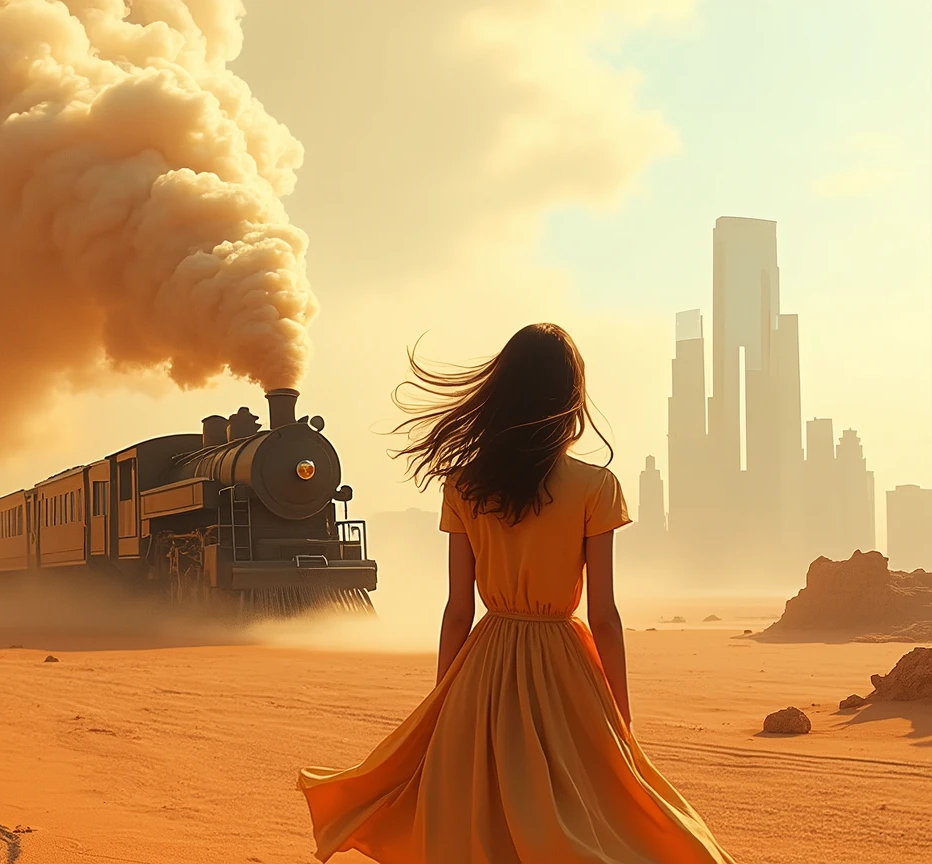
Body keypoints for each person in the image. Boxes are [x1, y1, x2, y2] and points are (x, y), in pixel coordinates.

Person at [295, 324, 738, 864]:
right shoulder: (596, 486)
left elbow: (459, 611)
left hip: (484, 668)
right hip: (566, 669)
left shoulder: (463, 486)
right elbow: (604, 615)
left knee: (483, 812)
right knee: (596, 810)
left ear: (500, 395)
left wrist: (444, 702)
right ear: (569, 397)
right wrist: (619, 714)